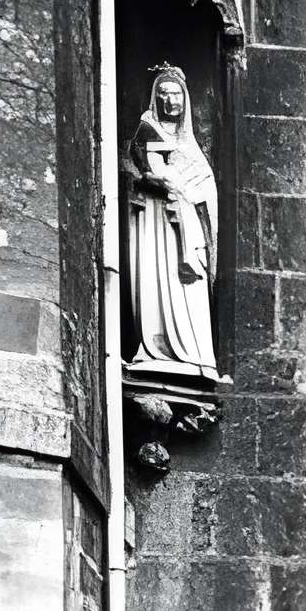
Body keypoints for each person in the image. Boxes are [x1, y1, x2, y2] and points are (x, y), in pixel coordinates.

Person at [126, 65, 219, 377]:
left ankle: (195, 354)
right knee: (159, 278)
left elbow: (205, 186)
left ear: (185, 98)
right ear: (156, 98)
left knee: (192, 287)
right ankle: (160, 348)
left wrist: (194, 191)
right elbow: (144, 171)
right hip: (157, 221)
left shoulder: (189, 143)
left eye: (176, 93)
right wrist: (168, 183)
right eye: (163, 94)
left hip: (187, 223)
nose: (170, 100)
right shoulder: (148, 129)